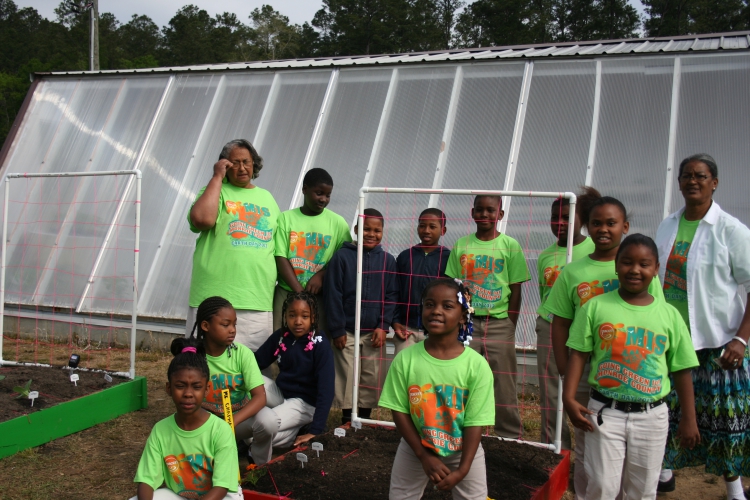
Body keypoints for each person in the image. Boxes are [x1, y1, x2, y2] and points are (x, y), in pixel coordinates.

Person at [563, 234, 700, 500]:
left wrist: (689, 418)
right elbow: (578, 354)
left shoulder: (669, 315)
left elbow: (682, 369)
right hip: (605, 413)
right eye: (627, 262)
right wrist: (568, 397)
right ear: (616, 265)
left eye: (644, 264)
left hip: (652, 417)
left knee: (642, 490)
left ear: (656, 269)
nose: (635, 270)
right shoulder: (595, 307)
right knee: (601, 486)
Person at [546, 195, 664, 500]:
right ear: (587, 226)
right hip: (584, 368)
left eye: (611, 223)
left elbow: (657, 319)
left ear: (625, 227)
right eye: (596, 223)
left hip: (629, 370)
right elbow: (560, 322)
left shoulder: (640, 269)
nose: (603, 229)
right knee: (589, 442)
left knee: (629, 451)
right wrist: (564, 368)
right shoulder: (573, 272)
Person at [656, 154, 750, 500]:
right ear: (679, 182)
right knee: (665, 410)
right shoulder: (667, 225)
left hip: (718, 343)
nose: (692, 181)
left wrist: (741, 339)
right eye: (686, 175)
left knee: (724, 421)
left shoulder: (730, 230)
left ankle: (734, 490)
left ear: (714, 182)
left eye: (701, 175)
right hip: (672, 341)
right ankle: (664, 473)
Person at [379, 278, 494, 500]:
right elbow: (399, 410)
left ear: (463, 316)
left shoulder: (477, 366)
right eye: (429, 304)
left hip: (464, 452)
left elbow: (476, 421)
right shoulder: (405, 359)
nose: (436, 311)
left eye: (447, 306)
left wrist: (463, 469)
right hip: (415, 448)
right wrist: (423, 455)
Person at [445, 195, 529, 438]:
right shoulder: (462, 245)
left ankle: (508, 435)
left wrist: (510, 323)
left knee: (504, 382)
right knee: (461, 377)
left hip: (499, 323)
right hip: (468, 323)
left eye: (490, 210)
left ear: (500, 214)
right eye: (479, 210)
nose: (484, 215)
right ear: (472, 213)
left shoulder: (510, 246)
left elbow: (516, 290)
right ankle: (458, 430)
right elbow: (453, 286)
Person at [187, 139, 279, 350]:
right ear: (225, 165)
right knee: (207, 361)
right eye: (235, 163)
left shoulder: (267, 198)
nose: (242, 168)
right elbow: (202, 220)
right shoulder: (214, 190)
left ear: (254, 163)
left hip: (256, 298)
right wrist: (217, 177)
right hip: (213, 297)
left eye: (246, 162)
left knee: (254, 363)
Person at [131, 339, 241, 500]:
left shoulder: (220, 430)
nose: (188, 394)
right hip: (180, 495)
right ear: (169, 388)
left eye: (196, 387)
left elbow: (221, 487)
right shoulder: (160, 430)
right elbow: (146, 481)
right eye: (180, 386)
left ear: (207, 389)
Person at [535, 188, 598, 450]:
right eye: (554, 217)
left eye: (567, 217)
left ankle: (591, 446)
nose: (559, 223)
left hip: (587, 330)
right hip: (552, 326)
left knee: (589, 389)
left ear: (581, 219)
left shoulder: (595, 248)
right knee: (551, 391)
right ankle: (555, 450)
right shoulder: (546, 256)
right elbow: (545, 295)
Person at [324, 208, 399, 425]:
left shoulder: (387, 261)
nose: (371, 234)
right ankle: (347, 420)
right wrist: (337, 328)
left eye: (377, 230)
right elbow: (333, 294)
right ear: (356, 229)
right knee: (347, 376)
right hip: (346, 331)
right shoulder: (342, 257)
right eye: (366, 229)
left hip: (373, 332)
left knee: (370, 376)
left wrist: (383, 325)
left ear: (383, 232)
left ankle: (364, 421)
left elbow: (391, 295)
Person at [253, 292, 335, 464]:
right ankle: (296, 430)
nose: (298, 321)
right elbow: (257, 362)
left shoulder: (320, 344)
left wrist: (316, 430)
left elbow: (326, 389)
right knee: (251, 379)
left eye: (304, 316)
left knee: (259, 430)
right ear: (285, 316)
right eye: (292, 315)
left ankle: (299, 433)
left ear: (313, 318)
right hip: (282, 395)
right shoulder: (281, 336)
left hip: (304, 404)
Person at [272, 168, 351, 333]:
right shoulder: (286, 218)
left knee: (317, 340)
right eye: (319, 193)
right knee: (281, 337)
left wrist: (322, 275)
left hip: (320, 296)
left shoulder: (338, 223)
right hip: (287, 292)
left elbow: (345, 258)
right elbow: (280, 256)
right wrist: (299, 292)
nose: (323, 199)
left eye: (328, 195)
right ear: (305, 189)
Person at [186, 297, 267, 448]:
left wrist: (230, 423)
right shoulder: (193, 358)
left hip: (238, 419)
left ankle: (255, 456)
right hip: (206, 422)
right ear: (205, 326)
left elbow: (260, 397)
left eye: (234, 324)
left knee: (269, 421)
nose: (232, 330)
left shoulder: (243, 354)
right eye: (225, 324)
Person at [392, 208, 451, 354]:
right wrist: (395, 321)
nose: (426, 230)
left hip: (436, 328)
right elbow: (394, 291)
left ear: (443, 230)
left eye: (432, 226)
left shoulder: (449, 258)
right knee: (404, 364)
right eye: (422, 226)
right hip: (406, 328)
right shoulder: (405, 257)